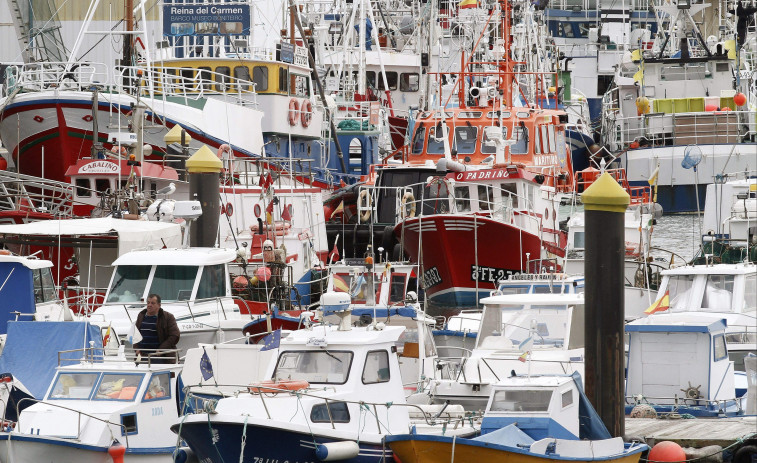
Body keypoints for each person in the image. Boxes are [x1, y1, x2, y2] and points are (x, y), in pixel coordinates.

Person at [135, 294, 180, 362]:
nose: (149, 305)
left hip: (160, 357)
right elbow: (135, 333)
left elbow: (175, 335)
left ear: (159, 305)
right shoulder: (141, 315)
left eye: (153, 303)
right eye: (148, 302)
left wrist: (161, 349)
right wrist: (136, 348)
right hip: (142, 356)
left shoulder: (168, 317)